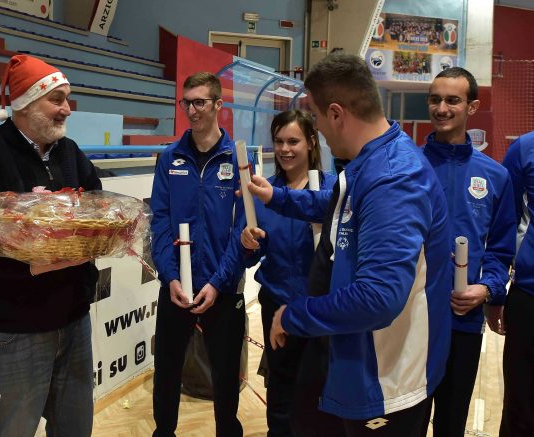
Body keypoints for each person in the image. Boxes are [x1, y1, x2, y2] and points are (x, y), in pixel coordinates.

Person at [247, 53, 452, 436]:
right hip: (360, 363)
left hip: (388, 382)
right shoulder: (372, 161)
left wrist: (294, 314)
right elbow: (339, 206)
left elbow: (378, 297)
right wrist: (277, 197)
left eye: (317, 118)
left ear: (337, 113)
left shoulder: (393, 178)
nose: (320, 130)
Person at [0, 54, 101, 436]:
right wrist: (31, 261)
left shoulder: (71, 153)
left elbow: (97, 209)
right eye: (57, 99)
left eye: (67, 99)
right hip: (12, 332)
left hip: (73, 322)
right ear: (26, 103)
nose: (67, 109)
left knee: (75, 429)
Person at [150, 72, 247, 437]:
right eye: (186, 102)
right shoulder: (170, 158)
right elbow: (160, 222)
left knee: (225, 376)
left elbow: (243, 229)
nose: (191, 110)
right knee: (167, 371)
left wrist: (220, 282)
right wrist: (170, 277)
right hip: (177, 286)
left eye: (200, 102)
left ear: (218, 105)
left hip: (222, 287)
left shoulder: (237, 159)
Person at [421, 67, 515, 437]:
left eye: (452, 100)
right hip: (410, 319)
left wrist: (487, 288)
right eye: (435, 99)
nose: (441, 108)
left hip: (462, 319)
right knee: (404, 424)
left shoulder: (495, 176)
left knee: (451, 423)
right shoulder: (408, 166)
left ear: (472, 107)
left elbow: (501, 250)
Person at [240, 109, 337, 436]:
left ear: (311, 142)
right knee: (281, 391)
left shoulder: (332, 190)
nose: (284, 149)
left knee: (319, 391)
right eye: (279, 141)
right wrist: (247, 243)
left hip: (322, 310)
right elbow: (251, 255)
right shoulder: (262, 193)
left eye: (293, 141)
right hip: (277, 304)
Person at [501, 131, 534, 437]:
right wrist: (495, 294)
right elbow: (504, 222)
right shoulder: (524, 149)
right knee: (521, 408)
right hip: (528, 296)